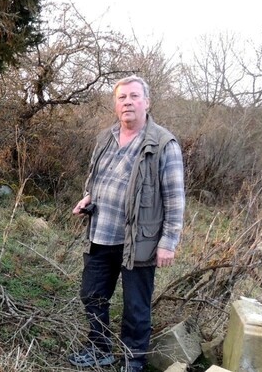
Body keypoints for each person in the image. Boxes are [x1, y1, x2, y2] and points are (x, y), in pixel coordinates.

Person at [68, 76, 185, 371]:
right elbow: (96, 179)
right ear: (115, 104)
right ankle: (100, 348)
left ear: (147, 102)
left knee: (135, 306)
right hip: (101, 232)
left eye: (134, 96)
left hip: (140, 241)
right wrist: (88, 198)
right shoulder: (105, 138)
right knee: (91, 294)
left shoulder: (163, 144)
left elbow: (174, 197)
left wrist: (168, 242)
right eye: (122, 98)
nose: (128, 102)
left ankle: (133, 361)